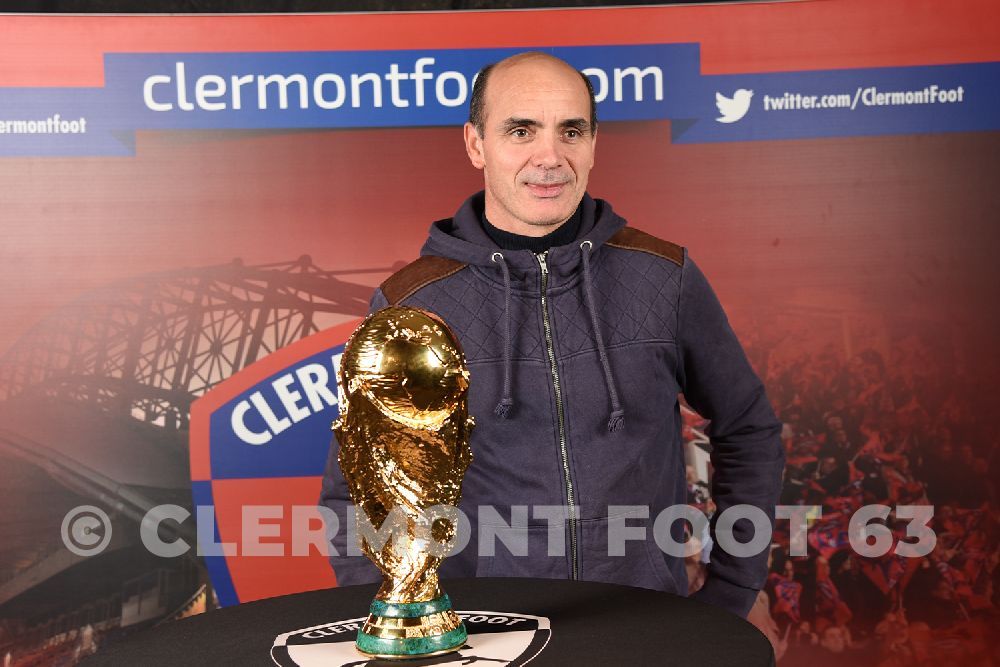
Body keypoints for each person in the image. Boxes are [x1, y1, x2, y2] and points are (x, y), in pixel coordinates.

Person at [320, 51, 785, 619]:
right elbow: (356, 490)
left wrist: (732, 592)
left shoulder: (664, 276)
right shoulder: (413, 303)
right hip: (482, 639)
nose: (550, 157)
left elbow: (749, 429)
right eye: (521, 130)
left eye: (571, 130)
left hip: (646, 631)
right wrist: (403, 621)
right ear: (475, 144)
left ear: (593, 143)